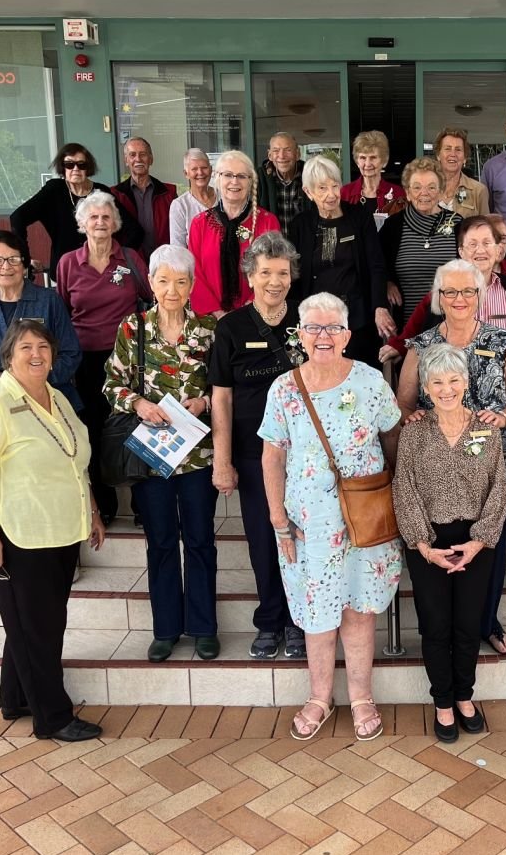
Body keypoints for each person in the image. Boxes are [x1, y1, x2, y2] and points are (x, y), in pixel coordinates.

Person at [260, 292, 403, 742]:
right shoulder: (283, 388)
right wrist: (278, 520)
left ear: (347, 334)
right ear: (299, 334)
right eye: (314, 328)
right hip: (309, 524)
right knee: (317, 614)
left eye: (333, 328)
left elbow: (393, 438)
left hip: (364, 519)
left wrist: (390, 494)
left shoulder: (369, 382)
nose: (323, 337)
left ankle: (361, 696)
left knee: (360, 611)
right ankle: (319, 696)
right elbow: (271, 458)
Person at [0, 319, 106, 741]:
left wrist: (92, 509)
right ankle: (53, 717)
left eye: (43, 346)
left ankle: (16, 697)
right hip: (20, 536)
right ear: (8, 356)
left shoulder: (54, 396)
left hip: (60, 530)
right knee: (37, 631)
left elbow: (73, 459)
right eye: (25, 347)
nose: (36, 354)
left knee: (37, 624)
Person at [395, 258, 506, 655]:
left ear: (481, 294)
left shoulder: (500, 340)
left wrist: (504, 415)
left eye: (468, 290)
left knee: (490, 548)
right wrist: (412, 414)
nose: (459, 298)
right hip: (435, 476)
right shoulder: (421, 346)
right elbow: (402, 405)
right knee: (441, 556)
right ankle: (446, 632)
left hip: (490, 470)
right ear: (439, 297)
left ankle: (485, 623)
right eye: (450, 291)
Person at [104, 244, 219, 662]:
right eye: (164, 280)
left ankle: (204, 627)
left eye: (181, 281)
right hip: (151, 457)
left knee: (201, 540)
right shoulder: (132, 328)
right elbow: (111, 383)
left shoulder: (208, 331)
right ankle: (166, 628)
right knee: (162, 542)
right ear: (151, 283)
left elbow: (222, 388)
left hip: (196, 456)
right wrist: (138, 404)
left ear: (192, 286)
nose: (172, 289)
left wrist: (204, 403)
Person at [393, 343, 506, 743]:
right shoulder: (414, 433)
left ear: (466, 381)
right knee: (436, 626)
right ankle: (442, 701)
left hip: (475, 541)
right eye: (437, 381)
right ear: (426, 385)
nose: (446, 389)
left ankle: (464, 696)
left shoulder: (486, 429)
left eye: (454, 380)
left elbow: (500, 488)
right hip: (429, 542)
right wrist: (424, 546)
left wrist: (478, 542)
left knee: (466, 626)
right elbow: (403, 489)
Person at [210, 232, 306, 660]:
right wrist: (223, 460)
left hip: (305, 456)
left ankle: (299, 621)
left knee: (301, 537)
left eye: (282, 273)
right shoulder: (230, 327)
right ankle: (270, 620)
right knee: (263, 539)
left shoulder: (306, 322)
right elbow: (222, 397)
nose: (274, 281)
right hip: (251, 455)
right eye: (265, 272)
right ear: (250, 276)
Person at [55, 191, 151, 524]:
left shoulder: (130, 258)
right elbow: (63, 312)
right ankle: (105, 505)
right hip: (86, 362)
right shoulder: (68, 263)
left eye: (106, 217)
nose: (99, 222)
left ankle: (142, 506)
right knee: (92, 430)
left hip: (127, 360)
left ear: (115, 223)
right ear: (82, 223)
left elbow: (150, 299)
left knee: (134, 427)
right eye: (93, 217)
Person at [379, 215, 506, 382]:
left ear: (498, 249)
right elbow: (419, 322)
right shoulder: (446, 290)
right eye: (473, 244)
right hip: (458, 390)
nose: (480, 250)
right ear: (461, 252)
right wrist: (399, 345)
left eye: (487, 243)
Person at [290, 155, 397, 367]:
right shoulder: (300, 225)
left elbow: (376, 265)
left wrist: (379, 307)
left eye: (334, 185)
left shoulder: (359, 217)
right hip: (316, 321)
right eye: (322, 188)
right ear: (308, 192)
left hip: (358, 318)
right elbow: (294, 274)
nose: (331, 194)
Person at [0, 229, 81, 409]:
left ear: (24, 265)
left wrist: (34, 378)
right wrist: (1, 378)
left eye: (13, 259)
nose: (6, 267)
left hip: (48, 401)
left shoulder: (49, 301)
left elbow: (70, 354)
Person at [10, 142, 142, 266]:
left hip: (100, 269)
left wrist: (119, 257)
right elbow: (17, 218)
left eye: (81, 164)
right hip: (64, 269)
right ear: (63, 167)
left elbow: (135, 230)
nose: (75, 169)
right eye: (69, 164)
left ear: (88, 167)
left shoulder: (101, 192)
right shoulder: (53, 191)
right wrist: (24, 258)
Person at [189, 150, 281, 317]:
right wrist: (218, 314)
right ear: (217, 178)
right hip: (210, 320)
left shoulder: (268, 222)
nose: (234, 181)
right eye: (228, 175)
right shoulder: (199, 224)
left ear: (250, 181)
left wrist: (247, 310)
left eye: (241, 176)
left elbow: (275, 271)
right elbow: (194, 272)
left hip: (256, 315)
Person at [378, 156, 463, 326]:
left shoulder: (458, 224)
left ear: (441, 191)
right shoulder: (393, 226)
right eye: (417, 187)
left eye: (431, 187)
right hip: (406, 325)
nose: (424, 193)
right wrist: (386, 282)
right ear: (408, 193)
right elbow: (377, 266)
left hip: (450, 324)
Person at [110, 136, 177, 254]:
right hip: (131, 262)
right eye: (132, 155)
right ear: (126, 160)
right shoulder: (115, 194)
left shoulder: (169, 193)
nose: (138, 159)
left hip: (163, 261)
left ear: (151, 159)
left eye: (143, 154)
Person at [340, 130, 405, 220]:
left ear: (384, 161)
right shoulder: (345, 193)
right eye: (362, 157)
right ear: (357, 162)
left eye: (373, 157)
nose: (367, 164)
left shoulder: (398, 194)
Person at [434, 127, 490, 218]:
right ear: (438, 155)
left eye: (458, 149)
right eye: (448, 149)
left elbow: (485, 229)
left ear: (464, 158)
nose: (453, 154)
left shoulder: (478, 191)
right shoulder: (425, 188)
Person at [168, 149, 216, 249]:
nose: (200, 172)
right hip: (195, 263)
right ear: (186, 174)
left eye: (204, 168)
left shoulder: (224, 197)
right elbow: (178, 247)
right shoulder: (180, 205)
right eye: (194, 169)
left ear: (211, 170)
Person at [258, 131, 306, 226]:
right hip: (271, 239)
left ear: (297, 154)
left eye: (288, 150)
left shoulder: (309, 176)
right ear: (270, 155)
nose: (282, 156)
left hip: (303, 240)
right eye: (276, 150)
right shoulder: (258, 178)